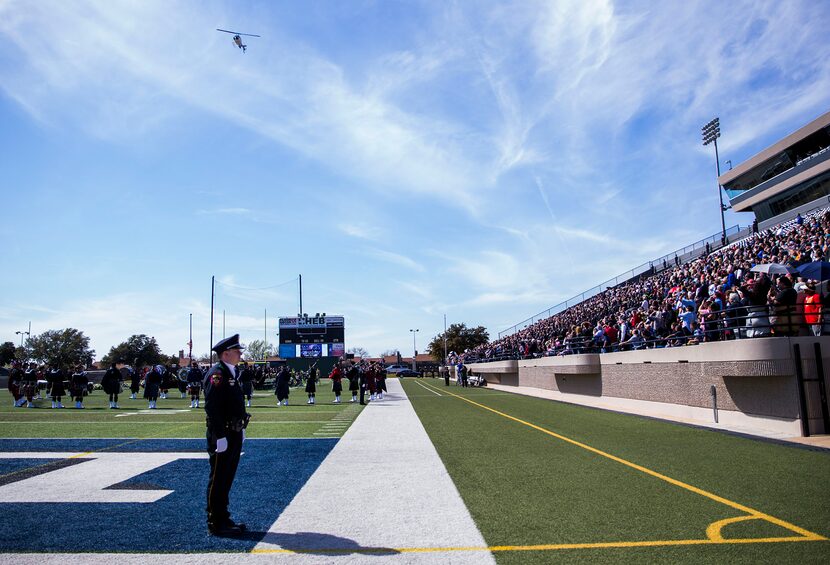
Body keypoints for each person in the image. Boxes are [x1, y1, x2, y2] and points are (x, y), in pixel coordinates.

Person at [203, 334, 250, 537]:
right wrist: (220, 436)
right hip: (223, 434)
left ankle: (224, 516)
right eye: (237, 351)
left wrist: (242, 428)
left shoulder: (230, 372)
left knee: (227, 477)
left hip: (234, 432)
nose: (240, 354)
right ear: (225, 353)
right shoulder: (218, 374)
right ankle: (216, 521)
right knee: (219, 478)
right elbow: (212, 408)